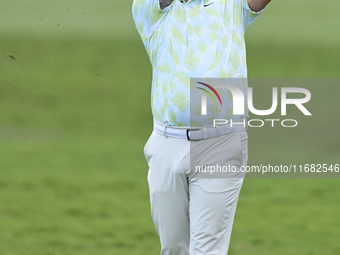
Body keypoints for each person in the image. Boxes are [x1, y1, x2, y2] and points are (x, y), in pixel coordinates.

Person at [132, 0, 271, 254]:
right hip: (166, 144)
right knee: (173, 248)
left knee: (207, 251)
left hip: (221, 141)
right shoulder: (149, 9)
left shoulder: (231, 5)